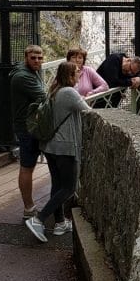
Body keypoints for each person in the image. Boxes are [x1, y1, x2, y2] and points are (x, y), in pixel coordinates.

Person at [24, 61, 90, 243]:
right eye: (77, 71)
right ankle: (38, 219)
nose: (79, 73)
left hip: (50, 146)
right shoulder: (69, 92)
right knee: (69, 187)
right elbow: (88, 111)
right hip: (64, 147)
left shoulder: (54, 90)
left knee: (58, 185)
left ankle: (60, 223)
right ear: (70, 75)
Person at [8, 44, 46, 220]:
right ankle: (28, 208)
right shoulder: (23, 77)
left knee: (30, 166)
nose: (37, 61)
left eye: (40, 58)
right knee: (27, 166)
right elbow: (44, 96)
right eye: (33, 58)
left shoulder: (32, 71)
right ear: (26, 58)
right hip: (27, 127)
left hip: (32, 124)